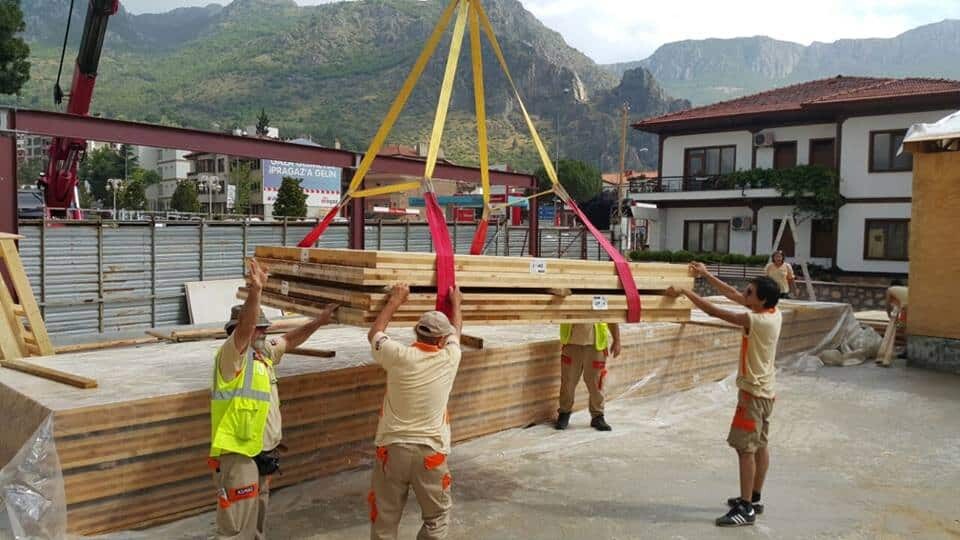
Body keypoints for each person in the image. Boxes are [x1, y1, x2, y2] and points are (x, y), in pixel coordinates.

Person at [209, 259, 337, 540]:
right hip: (239, 455)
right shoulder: (231, 357)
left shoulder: (263, 353)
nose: (264, 332)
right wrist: (256, 291)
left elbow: (290, 339)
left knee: (257, 524)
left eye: (265, 328)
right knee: (235, 528)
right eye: (259, 327)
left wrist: (319, 320)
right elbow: (246, 328)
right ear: (238, 330)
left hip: (263, 452)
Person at [666, 262, 783, 528]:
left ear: (761, 300)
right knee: (761, 446)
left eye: (750, 293)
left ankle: (745, 508)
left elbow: (715, 311)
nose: (745, 294)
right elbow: (732, 294)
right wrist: (707, 275)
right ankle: (754, 498)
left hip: (753, 395)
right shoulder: (773, 312)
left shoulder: (756, 319)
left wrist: (686, 292)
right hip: (767, 393)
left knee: (745, 449)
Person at [366, 283, 463, 540]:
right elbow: (457, 334)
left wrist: (396, 300)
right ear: (442, 340)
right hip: (429, 455)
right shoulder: (450, 358)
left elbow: (375, 333)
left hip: (392, 451)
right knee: (437, 518)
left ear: (416, 333)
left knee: (384, 522)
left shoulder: (397, 355)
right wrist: (456, 303)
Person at [554, 322, 621, 431]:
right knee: (568, 382)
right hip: (572, 344)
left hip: (596, 346)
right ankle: (564, 413)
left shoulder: (602, 303)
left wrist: (617, 340)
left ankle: (597, 416)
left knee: (597, 384)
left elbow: (611, 317)